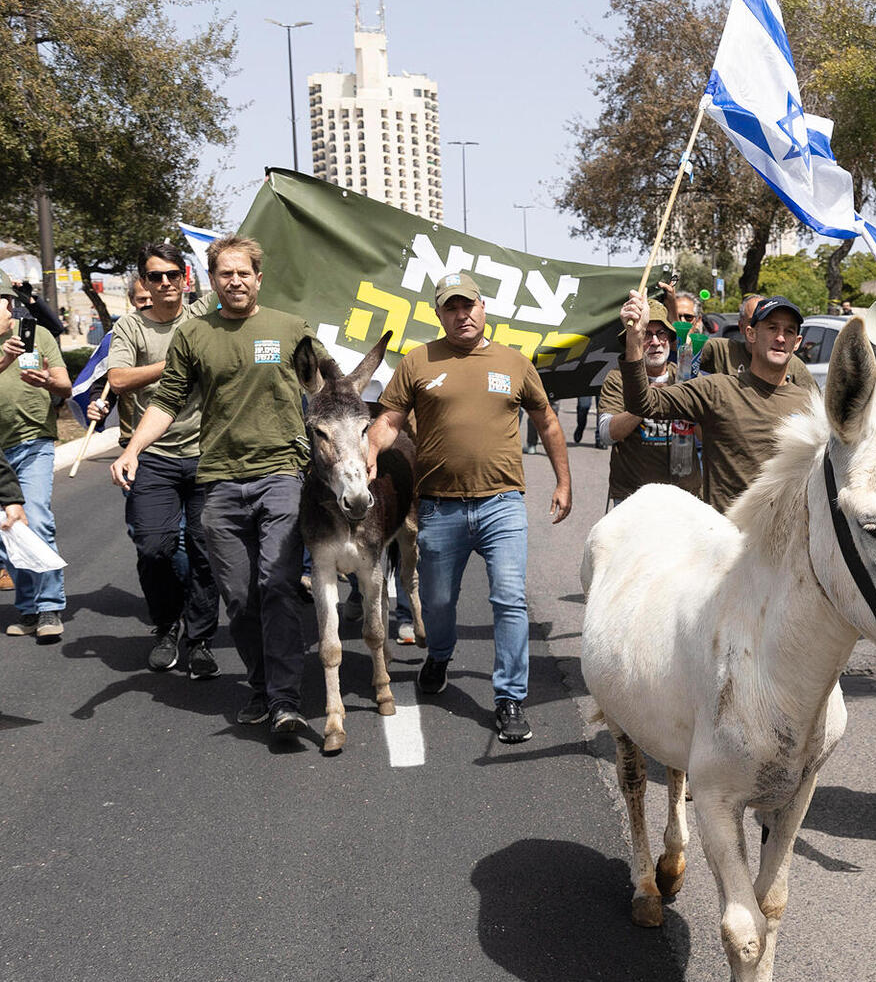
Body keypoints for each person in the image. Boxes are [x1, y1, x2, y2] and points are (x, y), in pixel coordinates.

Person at [112, 236, 319, 733]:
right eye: (225, 274)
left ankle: (287, 700)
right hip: (221, 481)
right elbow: (167, 402)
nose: (236, 281)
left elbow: (328, 390)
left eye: (244, 272)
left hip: (281, 474)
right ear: (210, 280)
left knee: (277, 583)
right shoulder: (194, 335)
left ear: (258, 277)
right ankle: (263, 686)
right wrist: (132, 449)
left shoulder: (291, 330)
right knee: (241, 598)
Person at [367, 271, 571, 744]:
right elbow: (390, 420)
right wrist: (371, 451)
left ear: (484, 309)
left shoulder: (515, 363)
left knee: (510, 599)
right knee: (438, 603)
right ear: (439, 314)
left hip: (503, 504)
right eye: (451, 308)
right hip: (440, 507)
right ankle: (439, 654)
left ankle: (509, 698)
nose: (462, 314)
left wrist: (564, 480)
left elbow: (548, 422)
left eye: (469, 305)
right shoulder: (418, 361)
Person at [100, 242, 219, 677]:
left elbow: (235, 273)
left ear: (185, 277)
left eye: (172, 274)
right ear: (144, 283)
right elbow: (118, 379)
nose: (166, 283)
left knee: (206, 552)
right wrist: (175, 362)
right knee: (155, 548)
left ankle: (202, 638)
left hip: (208, 454)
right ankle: (167, 625)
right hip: (153, 455)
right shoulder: (130, 328)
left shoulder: (203, 314)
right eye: (156, 276)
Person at [617, 294, 814, 513]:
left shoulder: (809, 405)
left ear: (797, 343)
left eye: (789, 331)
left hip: (785, 541)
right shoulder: (716, 390)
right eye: (771, 328)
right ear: (751, 333)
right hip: (726, 539)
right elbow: (642, 403)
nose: (780, 338)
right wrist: (634, 338)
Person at [0, 282, 72, 643]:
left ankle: (48, 606)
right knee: (9, 530)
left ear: (9, 306)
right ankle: (27, 608)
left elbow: (65, 387)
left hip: (33, 443)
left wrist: (47, 381)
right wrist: (5, 361)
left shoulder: (38, 335)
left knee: (36, 519)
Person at [597, 298, 701, 507]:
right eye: (646, 333)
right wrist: (648, 400)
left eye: (661, 333)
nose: (655, 342)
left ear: (669, 339)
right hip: (632, 499)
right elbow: (607, 434)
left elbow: (708, 437)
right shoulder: (618, 378)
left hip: (684, 497)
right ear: (633, 340)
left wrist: (689, 410)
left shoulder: (685, 377)